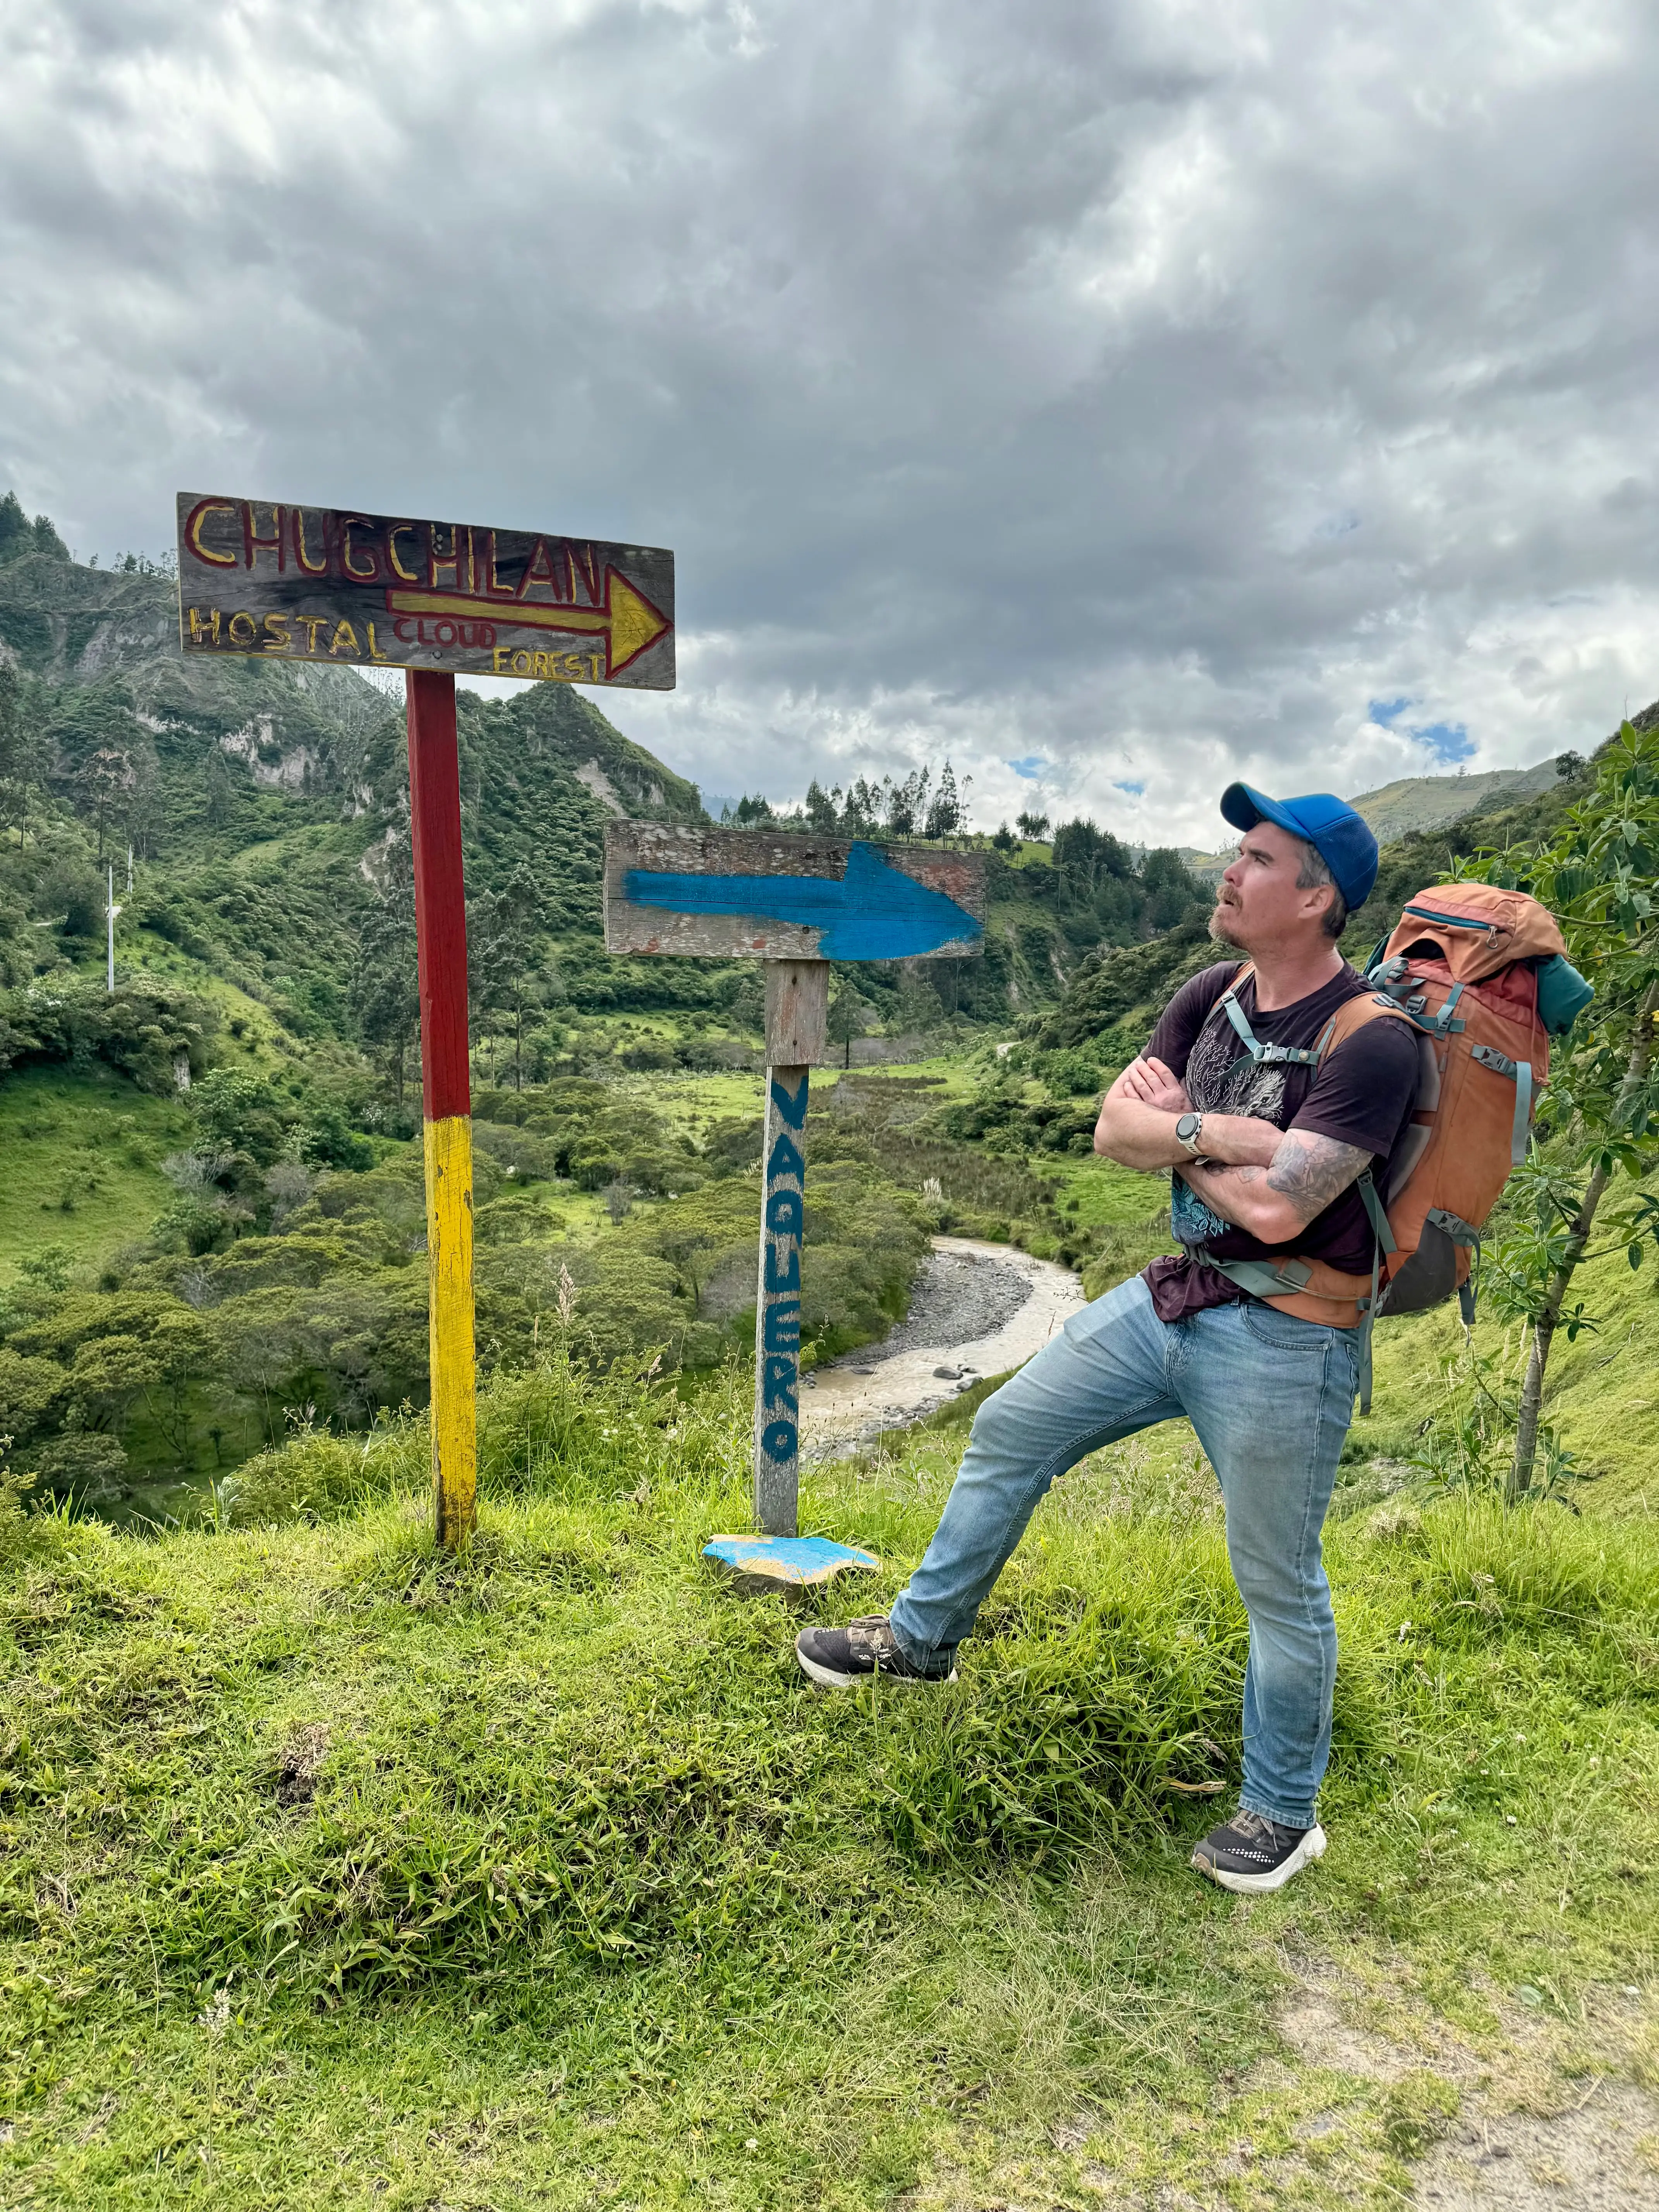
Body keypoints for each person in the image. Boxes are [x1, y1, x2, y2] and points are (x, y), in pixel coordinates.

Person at [795, 783, 1422, 1894]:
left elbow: (1281, 1212)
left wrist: (1170, 1135)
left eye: (1258, 860)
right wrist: (1217, 1131)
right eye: (1235, 852)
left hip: (1288, 1335)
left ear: (1317, 897)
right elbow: (1107, 1131)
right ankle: (921, 1642)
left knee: (1276, 1578)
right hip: (1174, 1296)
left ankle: (1281, 1814)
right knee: (1007, 1429)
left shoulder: (1368, 1047)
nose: (1228, 874)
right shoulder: (1209, 991)